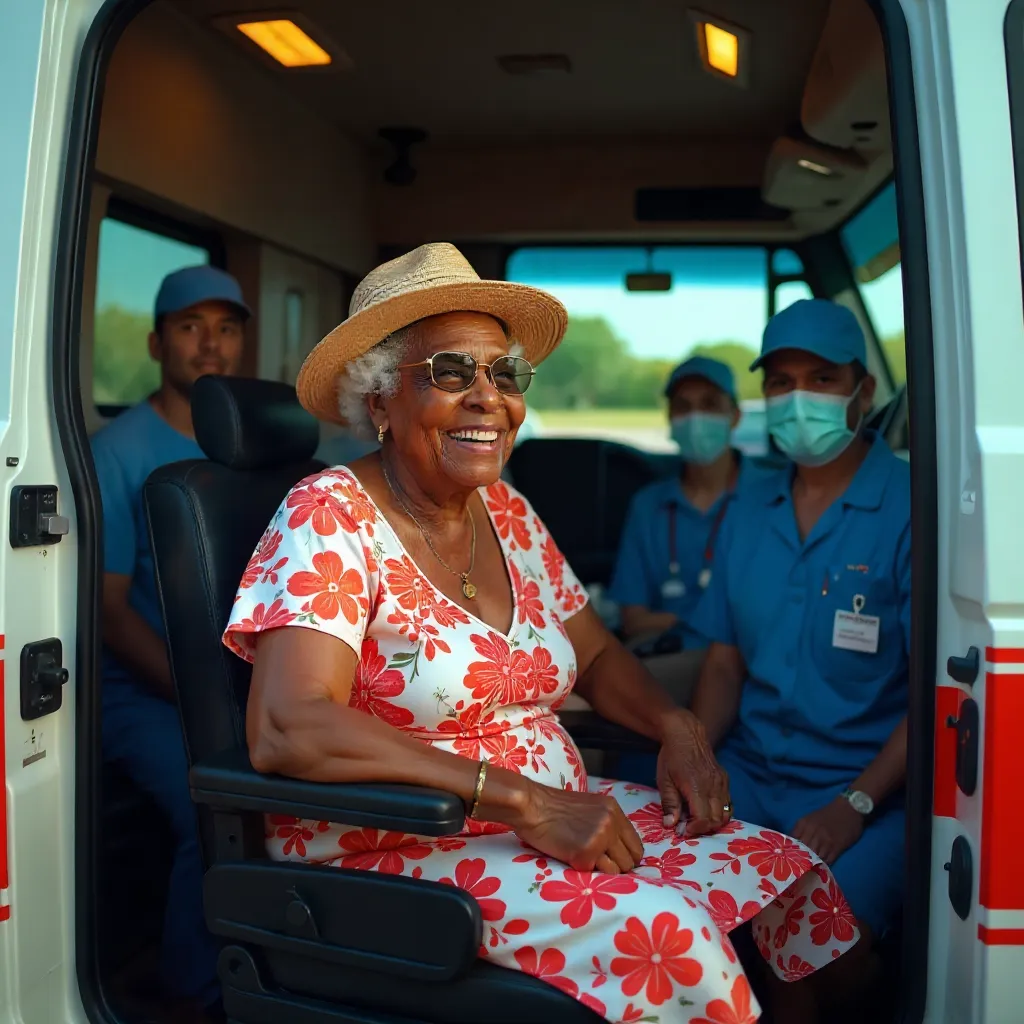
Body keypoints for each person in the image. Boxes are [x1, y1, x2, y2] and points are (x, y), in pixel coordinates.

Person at [222, 244, 859, 1024]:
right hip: (398, 846)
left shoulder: (508, 513)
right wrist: (525, 802)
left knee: (781, 867)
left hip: (545, 814)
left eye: (505, 374)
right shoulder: (328, 513)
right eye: (452, 372)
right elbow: (288, 726)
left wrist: (677, 725)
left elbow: (591, 650)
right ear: (381, 401)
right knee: (674, 934)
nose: (489, 398)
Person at [689, 298, 909, 1021]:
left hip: (868, 791)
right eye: (780, 383)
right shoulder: (749, 505)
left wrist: (855, 806)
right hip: (751, 774)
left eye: (820, 378)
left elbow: (943, 688)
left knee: (811, 952)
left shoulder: (914, 504)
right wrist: (694, 751)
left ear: (863, 392)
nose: (797, 398)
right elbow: (724, 662)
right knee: (671, 907)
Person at [92, 265, 249, 1021]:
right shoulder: (118, 450)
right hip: (145, 692)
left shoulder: (251, 445)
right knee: (211, 802)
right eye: (191, 327)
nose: (209, 344)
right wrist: (204, 702)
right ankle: (196, 996)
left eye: (225, 327)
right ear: (157, 342)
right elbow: (111, 611)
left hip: (239, 682)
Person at [608, 356, 769, 706]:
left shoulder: (773, 495)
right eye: (683, 406)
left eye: (710, 404)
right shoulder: (649, 505)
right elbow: (634, 620)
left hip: (750, 664)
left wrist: (674, 619)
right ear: (670, 418)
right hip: (670, 657)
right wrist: (710, 621)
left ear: (736, 415)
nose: (696, 418)